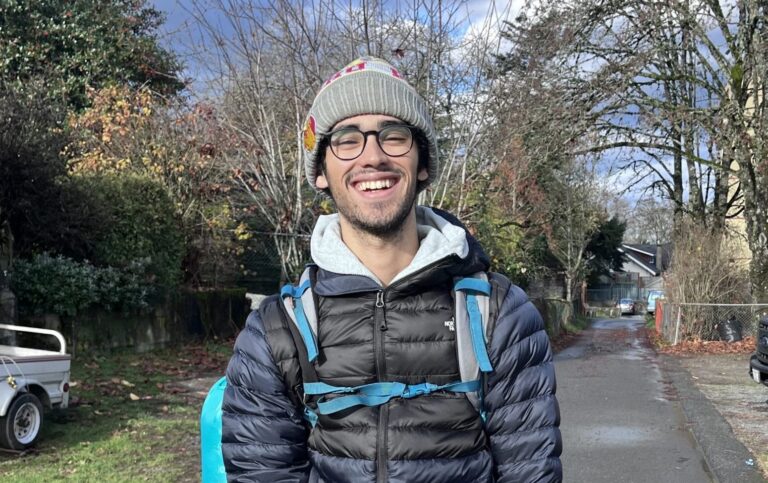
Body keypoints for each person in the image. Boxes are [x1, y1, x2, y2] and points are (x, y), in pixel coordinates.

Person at [221, 56, 562, 482]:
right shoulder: (277, 331)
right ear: (322, 171)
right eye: (347, 139)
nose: (373, 156)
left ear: (422, 164)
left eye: (393, 136)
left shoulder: (499, 315)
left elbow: (530, 472)